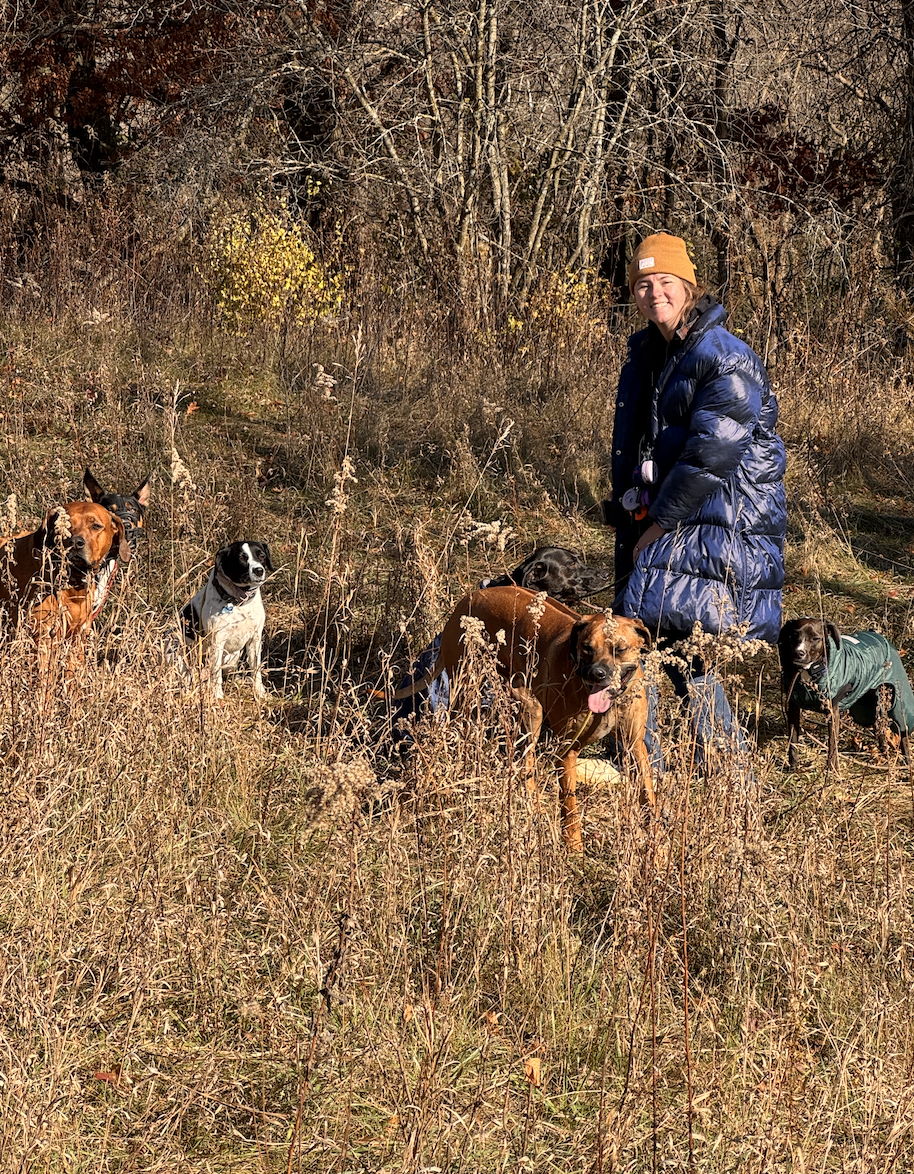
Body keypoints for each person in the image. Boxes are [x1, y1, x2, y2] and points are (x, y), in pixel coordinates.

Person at [607, 232, 787, 764]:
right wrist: (630, 505)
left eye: (665, 282)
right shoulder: (650, 354)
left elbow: (712, 454)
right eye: (642, 284)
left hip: (714, 523)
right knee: (670, 646)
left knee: (660, 644)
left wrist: (659, 523)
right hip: (670, 517)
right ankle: (673, 773)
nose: (653, 293)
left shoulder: (725, 358)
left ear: (688, 287)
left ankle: (664, 773)